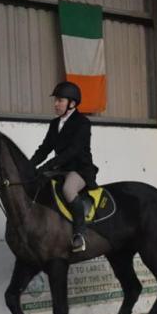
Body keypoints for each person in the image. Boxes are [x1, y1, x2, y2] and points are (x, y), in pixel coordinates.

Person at [31, 81, 99, 252]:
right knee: (39, 183)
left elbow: (73, 151)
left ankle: (79, 234)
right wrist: (29, 165)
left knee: (68, 189)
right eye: (55, 100)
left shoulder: (82, 123)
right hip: (60, 169)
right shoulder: (55, 123)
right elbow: (45, 148)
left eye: (60, 100)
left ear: (72, 103)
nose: (56, 104)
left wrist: (47, 165)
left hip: (80, 169)